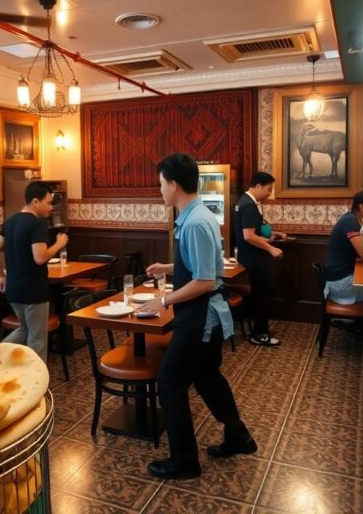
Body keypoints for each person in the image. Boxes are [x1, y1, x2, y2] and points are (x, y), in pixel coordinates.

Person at [137, 153, 255, 480]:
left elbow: (203, 281)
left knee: (170, 381)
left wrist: (163, 300)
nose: (160, 189)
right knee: (206, 377)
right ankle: (238, 436)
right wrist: (168, 268)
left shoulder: (195, 222)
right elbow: (203, 265)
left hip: (201, 317)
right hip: (202, 313)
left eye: (161, 184)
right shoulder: (197, 215)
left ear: (174, 185)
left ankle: (184, 460)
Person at [0, 181, 68, 363]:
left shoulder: (10, 221)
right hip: (33, 290)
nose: (51, 207)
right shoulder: (37, 224)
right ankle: (38, 377)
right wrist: (58, 244)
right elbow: (40, 257)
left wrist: (1, 275)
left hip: (13, 289)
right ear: (35, 202)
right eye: (48, 203)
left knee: (25, 329)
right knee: (37, 339)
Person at [232, 171, 286, 346]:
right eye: (268, 189)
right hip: (254, 258)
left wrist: (273, 236)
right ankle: (259, 334)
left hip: (248, 256)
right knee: (264, 293)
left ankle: (260, 329)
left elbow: (252, 232)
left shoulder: (243, 201)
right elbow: (248, 236)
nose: (270, 193)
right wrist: (271, 248)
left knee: (264, 292)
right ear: (258, 186)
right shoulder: (249, 205)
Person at [323, 187, 363, 304]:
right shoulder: (350, 222)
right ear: (361, 206)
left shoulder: (355, 219)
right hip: (340, 284)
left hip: (343, 279)